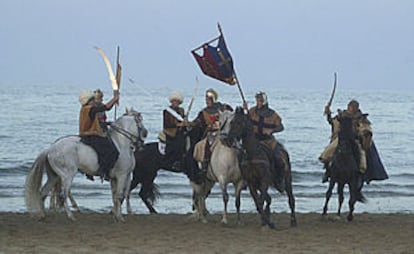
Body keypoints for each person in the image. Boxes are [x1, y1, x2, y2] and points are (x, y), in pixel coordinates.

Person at [319, 99, 371, 182]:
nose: (351, 109)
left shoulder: (361, 118)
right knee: (330, 150)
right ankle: (327, 170)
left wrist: (363, 132)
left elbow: (365, 128)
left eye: (354, 108)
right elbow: (332, 122)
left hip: (355, 139)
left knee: (362, 156)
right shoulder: (342, 116)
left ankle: (361, 174)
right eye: (350, 107)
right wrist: (328, 113)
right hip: (341, 138)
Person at [243, 91, 285, 191]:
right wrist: (245, 111)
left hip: (268, 141)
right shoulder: (252, 111)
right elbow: (245, 122)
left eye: (260, 101)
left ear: (264, 102)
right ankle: (244, 179)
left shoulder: (273, 114)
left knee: (278, 158)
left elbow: (281, 127)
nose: (258, 102)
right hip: (255, 140)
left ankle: (279, 180)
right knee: (242, 156)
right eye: (257, 100)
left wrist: (271, 130)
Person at [79, 89, 119, 181]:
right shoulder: (91, 109)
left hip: (85, 134)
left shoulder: (84, 109)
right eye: (92, 100)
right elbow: (106, 107)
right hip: (92, 134)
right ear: (88, 101)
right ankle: (104, 171)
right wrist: (115, 99)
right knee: (113, 151)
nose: (94, 101)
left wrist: (107, 123)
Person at [192, 88, 232, 175]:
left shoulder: (224, 108)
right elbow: (196, 122)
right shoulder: (204, 112)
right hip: (211, 134)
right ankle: (205, 165)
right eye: (206, 99)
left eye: (208, 99)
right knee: (205, 146)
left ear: (213, 99)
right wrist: (188, 124)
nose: (207, 101)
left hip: (222, 133)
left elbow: (232, 116)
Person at [162, 91, 187, 170]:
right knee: (179, 143)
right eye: (174, 101)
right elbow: (166, 123)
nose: (175, 103)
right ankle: (175, 161)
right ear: (171, 101)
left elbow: (183, 120)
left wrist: (185, 123)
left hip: (180, 131)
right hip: (170, 131)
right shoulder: (167, 111)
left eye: (177, 101)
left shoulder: (181, 110)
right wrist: (177, 125)